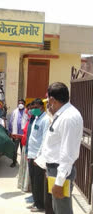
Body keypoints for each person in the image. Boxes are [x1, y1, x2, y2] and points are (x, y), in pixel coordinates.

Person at [36, 82, 83, 214]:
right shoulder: (62, 114)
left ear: (52, 99)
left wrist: (59, 181)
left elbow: (67, 153)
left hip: (60, 171)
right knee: (57, 209)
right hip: (55, 169)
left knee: (63, 210)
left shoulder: (68, 117)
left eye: (48, 101)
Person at [26, 98, 50, 212]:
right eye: (32, 108)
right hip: (31, 154)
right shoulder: (36, 118)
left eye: (35, 108)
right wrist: (29, 154)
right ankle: (36, 202)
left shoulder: (45, 120)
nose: (33, 110)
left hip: (38, 157)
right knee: (33, 180)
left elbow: (44, 139)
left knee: (38, 182)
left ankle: (40, 205)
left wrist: (38, 156)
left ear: (41, 107)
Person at [17, 102, 34, 193]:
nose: (28, 111)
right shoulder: (29, 120)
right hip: (25, 145)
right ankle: (23, 184)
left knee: (28, 168)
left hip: (30, 147)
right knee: (24, 166)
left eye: (30, 109)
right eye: (28, 109)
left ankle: (27, 187)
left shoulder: (35, 120)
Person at [9, 99, 28, 167]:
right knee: (14, 149)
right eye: (19, 103)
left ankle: (23, 164)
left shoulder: (27, 112)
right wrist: (10, 132)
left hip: (23, 135)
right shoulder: (14, 112)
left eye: (22, 103)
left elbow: (28, 122)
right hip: (15, 134)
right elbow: (11, 121)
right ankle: (14, 162)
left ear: (24, 104)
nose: (20, 104)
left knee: (23, 150)